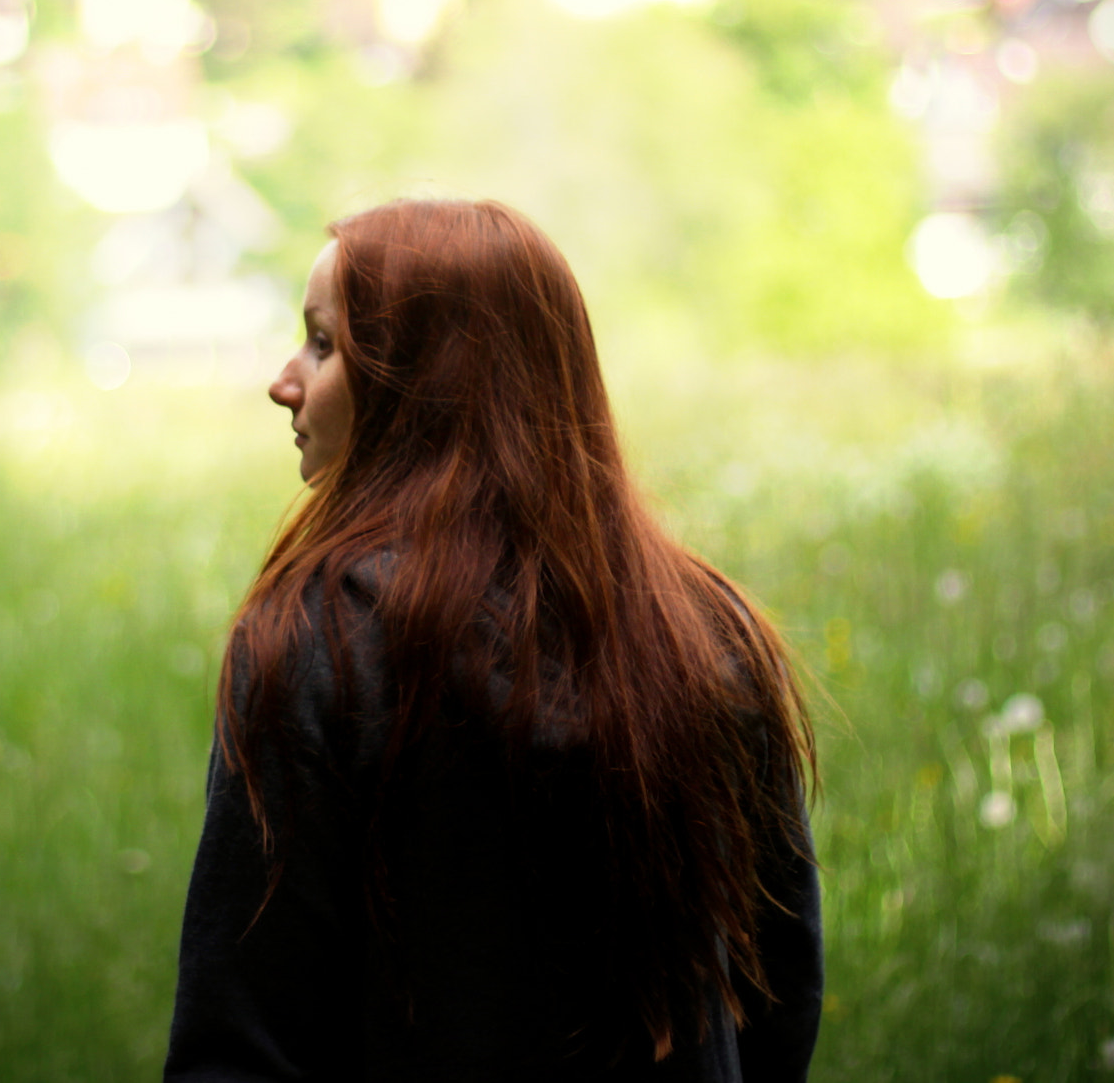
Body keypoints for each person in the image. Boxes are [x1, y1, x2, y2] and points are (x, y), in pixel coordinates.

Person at [165, 199, 822, 1082]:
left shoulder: (316, 642)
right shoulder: (709, 631)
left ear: (417, 382)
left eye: (323, 344)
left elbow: (241, 1029)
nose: (285, 381)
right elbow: (779, 996)